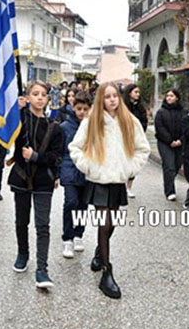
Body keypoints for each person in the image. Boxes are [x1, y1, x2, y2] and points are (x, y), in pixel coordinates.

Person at [69, 83, 150, 299]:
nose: (112, 100)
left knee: (111, 224)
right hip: (99, 180)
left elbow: (143, 149)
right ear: (100, 99)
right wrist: (89, 166)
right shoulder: (91, 120)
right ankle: (107, 271)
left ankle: (99, 253)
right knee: (104, 224)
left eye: (115, 96)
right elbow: (75, 147)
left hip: (118, 180)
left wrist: (130, 169)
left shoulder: (129, 120)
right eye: (107, 96)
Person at [8, 80, 64, 290]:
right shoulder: (19, 121)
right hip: (21, 177)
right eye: (35, 94)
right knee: (21, 220)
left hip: (43, 181)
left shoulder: (55, 128)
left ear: (48, 99)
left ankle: (42, 268)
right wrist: (16, 110)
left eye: (43, 94)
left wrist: (36, 156)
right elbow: (5, 131)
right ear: (28, 97)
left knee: (42, 225)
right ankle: (22, 253)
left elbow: (56, 157)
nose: (40, 98)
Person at [60, 91, 91, 258]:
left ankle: (79, 234)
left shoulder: (93, 127)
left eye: (85, 109)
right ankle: (67, 237)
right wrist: (57, 173)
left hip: (87, 171)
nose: (82, 112)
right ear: (73, 108)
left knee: (83, 205)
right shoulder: (65, 127)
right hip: (69, 170)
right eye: (79, 109)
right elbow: (60, 151)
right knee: (71, 202)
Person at [154, 88, 185, 201]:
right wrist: (170, 141)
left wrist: (180, 140)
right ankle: (170, 191)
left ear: (177, 97)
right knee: (169, 166)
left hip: (180, 143)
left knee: (176, 165)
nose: (169, 98)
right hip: (165, 143)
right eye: (167, 96)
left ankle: (168, 180)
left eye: (171, 96)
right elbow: (160, 128)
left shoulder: (183, 112)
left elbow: (186, 127)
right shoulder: (161, 112)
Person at [123, 83, 148, 198]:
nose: (138, 94)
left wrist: (140, 133)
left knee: (132, 163)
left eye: (138, 92)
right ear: (129, 93)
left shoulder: (140, 107)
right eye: (135, 92)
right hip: (123, 138)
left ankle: (129, 187)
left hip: (135, 139)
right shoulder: (123, 106)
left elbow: (144, 121)